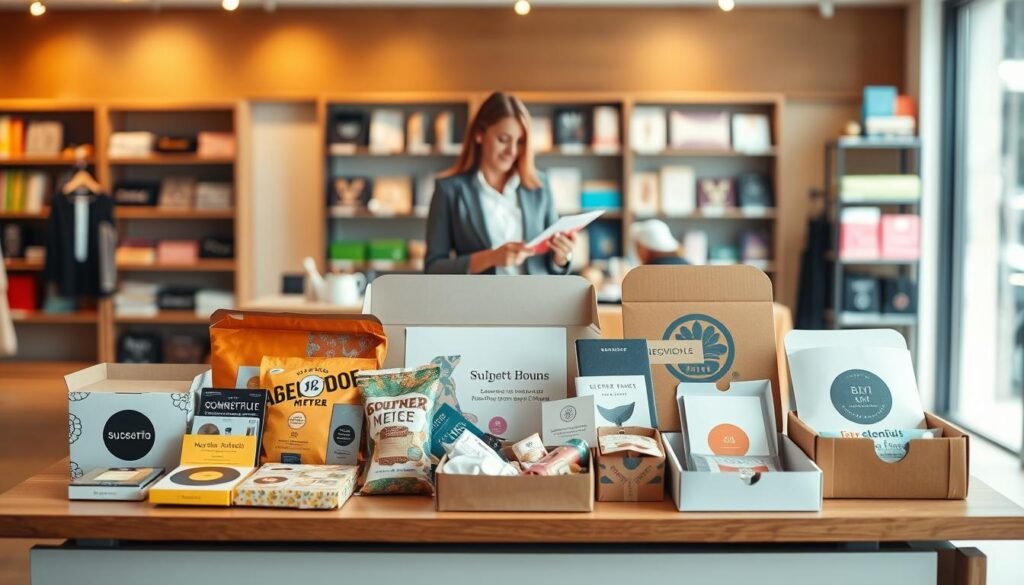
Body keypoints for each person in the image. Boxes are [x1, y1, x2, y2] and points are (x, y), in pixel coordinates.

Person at [425, 92, 576, 275]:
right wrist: (491, 257)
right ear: (479, 135)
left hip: (535, 300)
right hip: (480, 301)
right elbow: (434, 268)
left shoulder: (539, 186)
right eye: (503, 139)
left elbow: (552, 266)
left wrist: (561, 258)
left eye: (519, 142)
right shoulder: (449, 191)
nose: (512, 151)